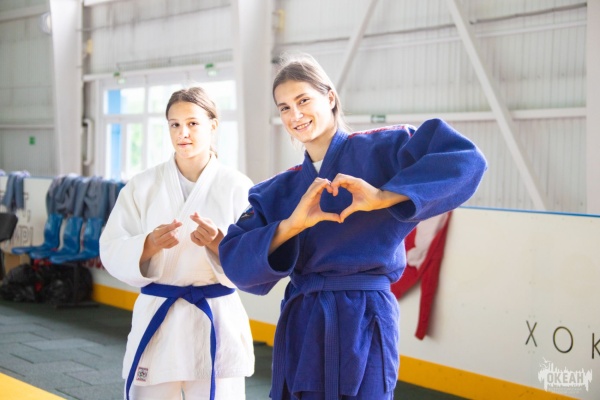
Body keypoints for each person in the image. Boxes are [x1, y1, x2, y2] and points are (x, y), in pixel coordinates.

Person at [219, 53, 487, 400]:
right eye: (284, 107)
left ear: (330, 97)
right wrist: (291, 225)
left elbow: (466, 159)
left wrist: (382, 197)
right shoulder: (279, 190)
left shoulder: (384, 149)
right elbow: (235, 261)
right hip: (305, 321)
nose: (295, 115)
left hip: (366, 318)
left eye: (303, 100)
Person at [99, 86, 255, 400]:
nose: (183, 133)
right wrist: (148, 245)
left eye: (193, 123)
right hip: (160, 317)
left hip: (215, 317)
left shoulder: (238, 186)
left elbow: (254, 260)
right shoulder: (142, 185)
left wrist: (219, 244)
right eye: (175, 124)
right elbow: (111, 246)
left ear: (213, 125)